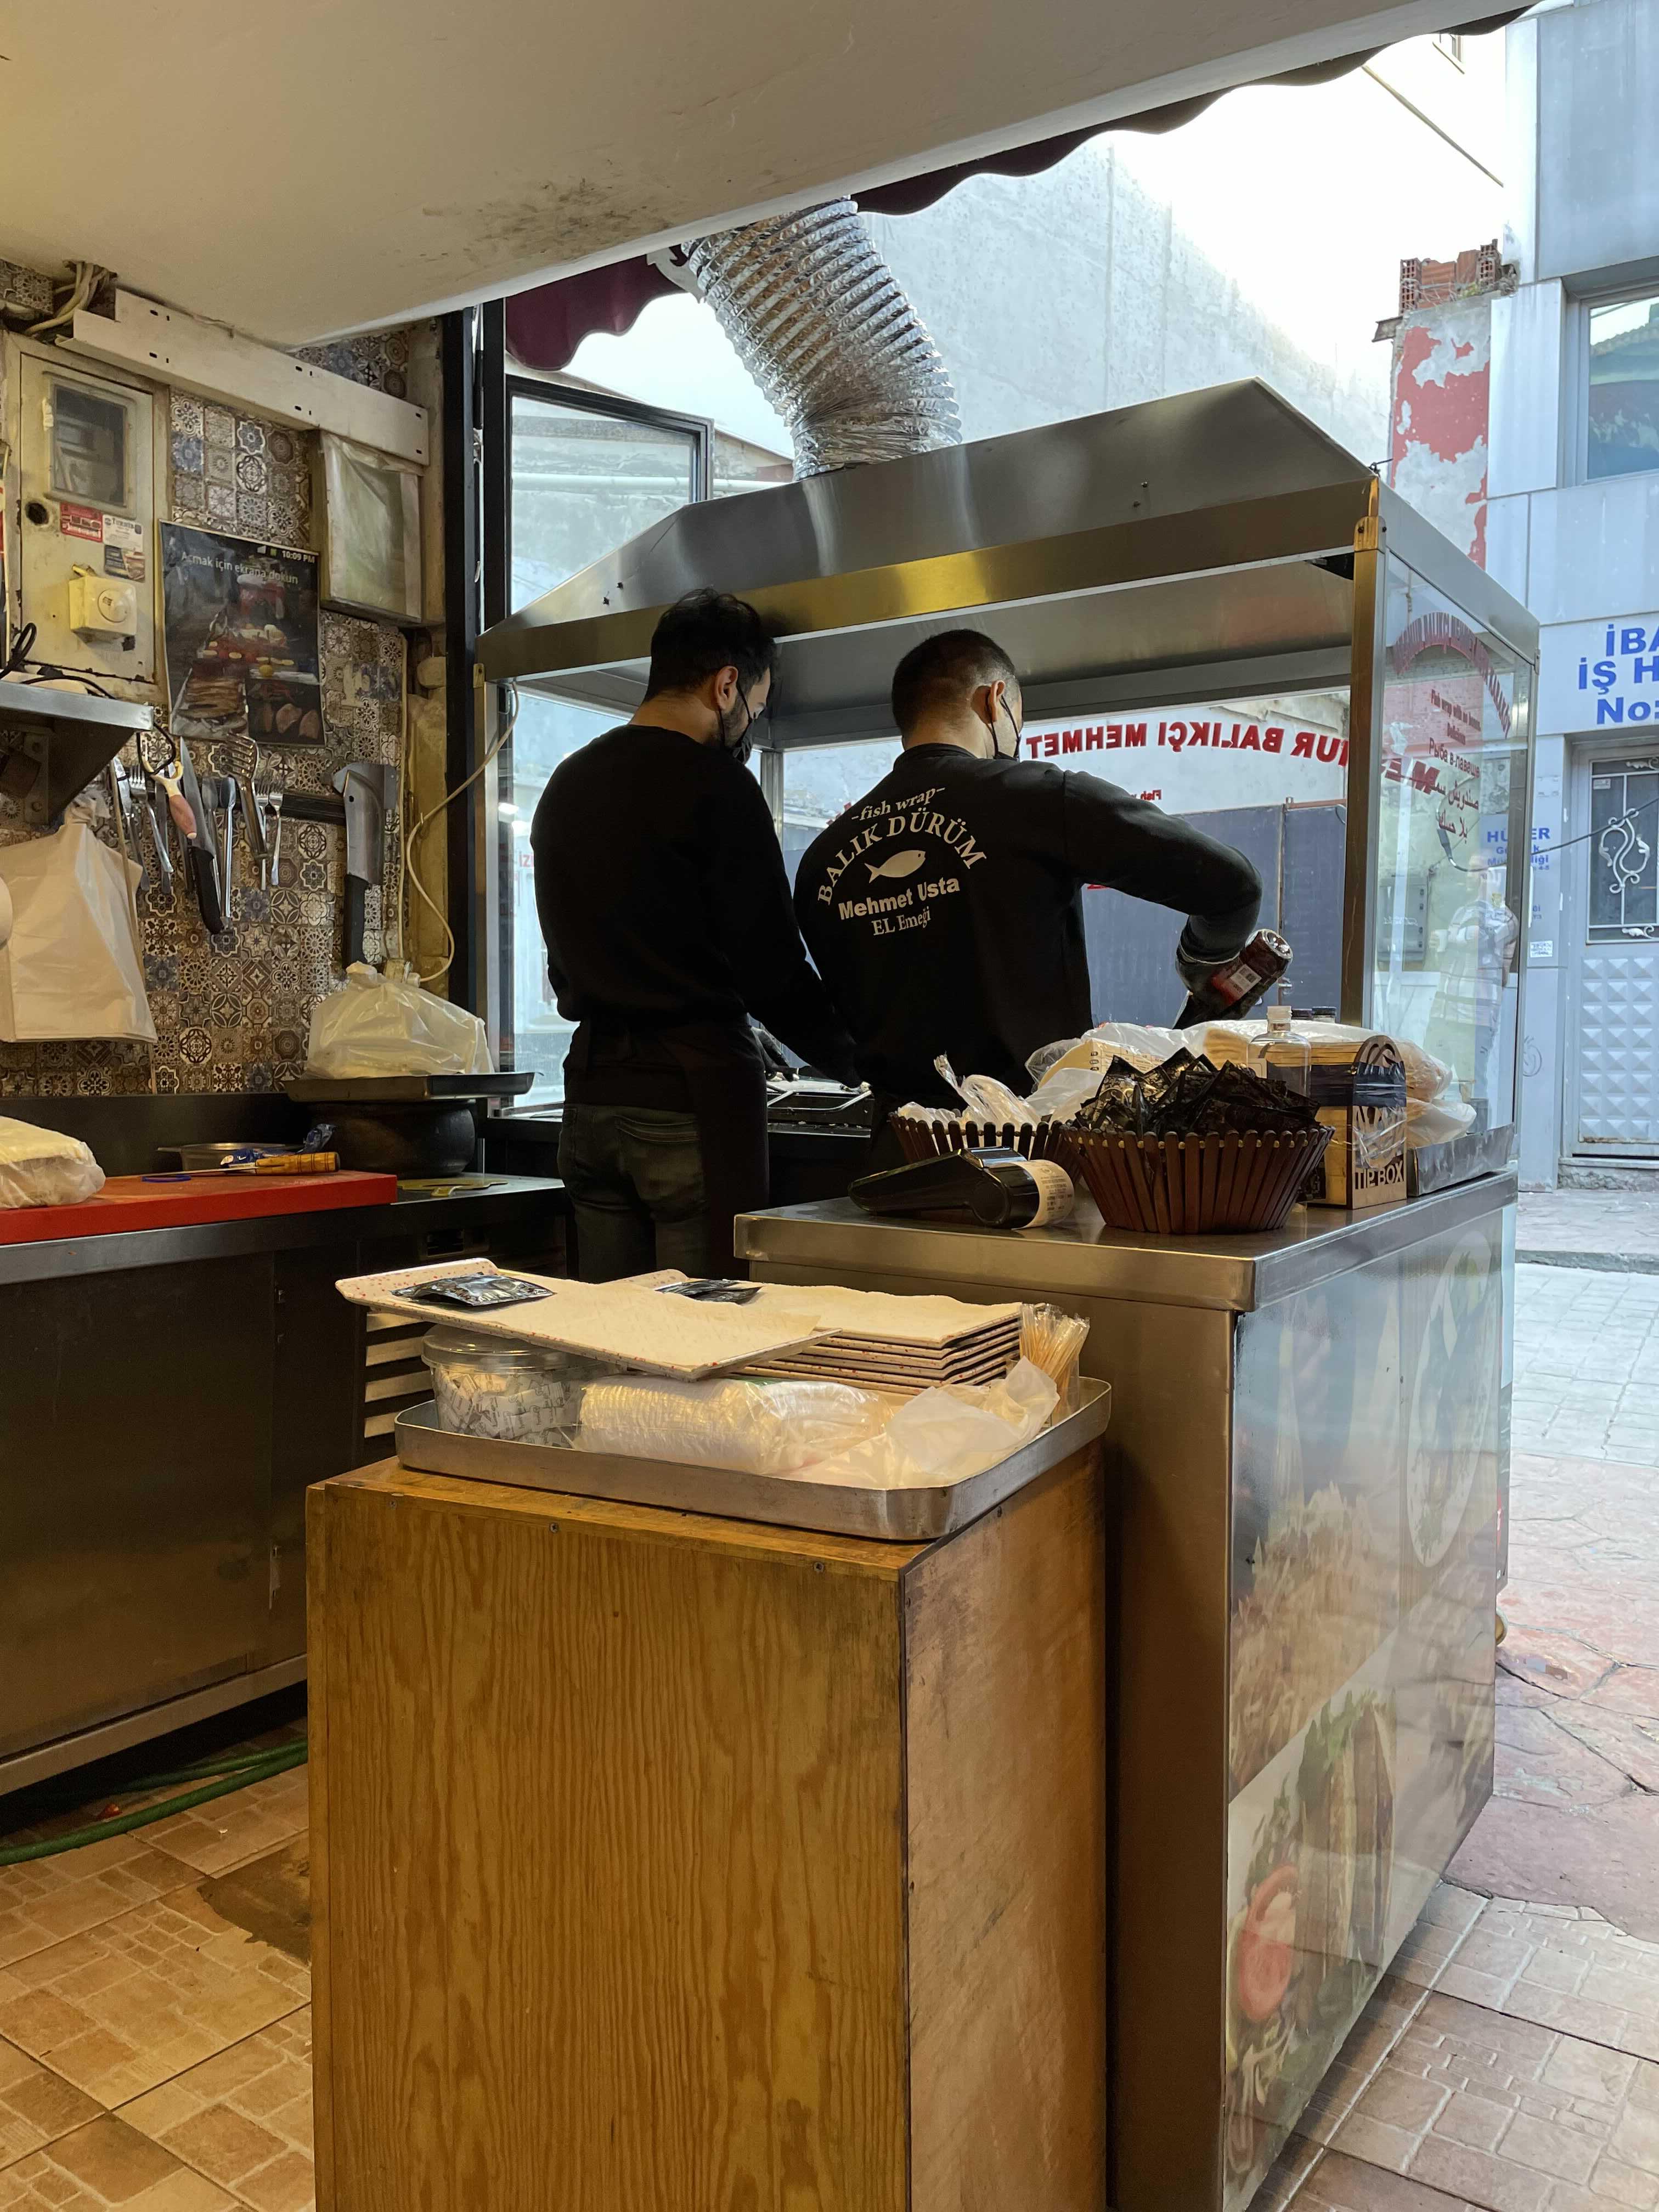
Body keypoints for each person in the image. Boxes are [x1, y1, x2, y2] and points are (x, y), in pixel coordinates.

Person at [793, 628, 1263, 1157]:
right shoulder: (1035, 799)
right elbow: (1234, 885)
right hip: (1028, 1147)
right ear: (994, 701)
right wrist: (1201, 963)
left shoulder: (823, 858)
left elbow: (807, 1006)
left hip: (898, 1150)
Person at [532, 589, 856, 1279]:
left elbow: (563, 957)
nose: (748, 729)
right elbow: (771, 971)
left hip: (589, 1099)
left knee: (607, 1328)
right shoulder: (719, 787)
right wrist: (863, 1063)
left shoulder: (566, 782)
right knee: (704, 1324)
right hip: (691, 1102)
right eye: (755, 711)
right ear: (726, 685)